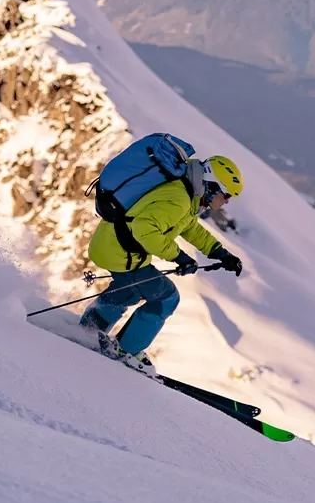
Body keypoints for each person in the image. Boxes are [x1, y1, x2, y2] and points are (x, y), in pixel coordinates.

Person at [79, 155, 245, 374]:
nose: (226, 202)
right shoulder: (179, 199)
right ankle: (126, 351)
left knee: (128, 292)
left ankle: (90, 328)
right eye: (225, 195)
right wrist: (178, 256)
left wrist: (220, 253)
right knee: (166, 297)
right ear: (212, 185)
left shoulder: (184, 194)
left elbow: (189, 228)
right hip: (122, 253)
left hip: (112, 246)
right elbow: (144, 230)